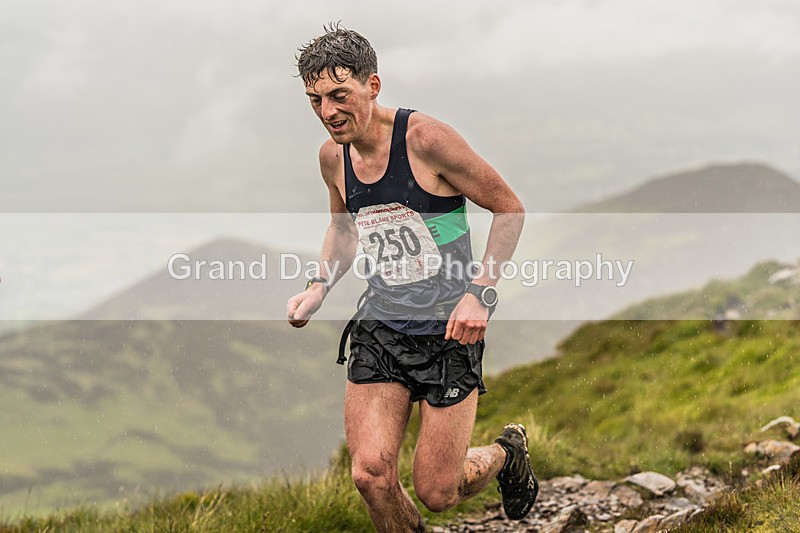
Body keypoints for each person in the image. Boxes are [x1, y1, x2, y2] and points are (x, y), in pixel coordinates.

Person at [286, 23, 536, 532]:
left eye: (339, 95)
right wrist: (318, 287)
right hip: (382, 324)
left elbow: (509, 208)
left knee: (438, 491)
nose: (327, 111)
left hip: (449, 329)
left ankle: (507, 453)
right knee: (371, 476)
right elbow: (342, 227)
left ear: (372, 85)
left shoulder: (426, 140)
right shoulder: (332, 156)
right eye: (315, 99)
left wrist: (480, 294)